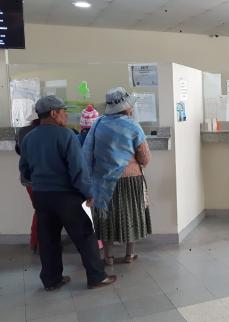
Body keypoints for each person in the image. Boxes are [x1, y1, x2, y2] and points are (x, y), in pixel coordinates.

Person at [19, 95, 116, 291]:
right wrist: (88, 192)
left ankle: (51, 280)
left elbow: (25, 170)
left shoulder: (29, 138)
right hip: (66, 196)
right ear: (54, 114)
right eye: (63, 111)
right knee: (85, 235)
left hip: (41, 196)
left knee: (48, 239)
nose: (66, 115)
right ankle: (96, 277)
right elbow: (77, 169)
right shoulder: (66, 136)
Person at [83, 87, 152, 265]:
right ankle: (129, 255)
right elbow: (144, 156)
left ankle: (109, 257)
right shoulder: (133, 125)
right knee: (131, 214)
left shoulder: (98, 124)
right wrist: (137, 165)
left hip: (103, 182)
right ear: (126, 107)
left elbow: (87, 153)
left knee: (106, 218)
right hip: (130, 180)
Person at [15, 111, 41, 253]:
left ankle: (34, 242)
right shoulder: (47, 132)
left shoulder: (22, 131)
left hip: (27, 179)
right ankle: (40, 243)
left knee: (39, 210)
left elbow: (19, 151)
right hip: (45, 180)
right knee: (43, 211)